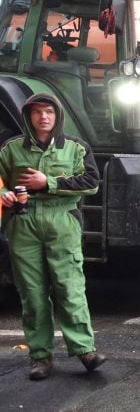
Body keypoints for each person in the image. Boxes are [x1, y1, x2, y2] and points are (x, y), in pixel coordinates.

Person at [0, 92, 105, 380]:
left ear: (57, 116)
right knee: (32, 293)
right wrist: (4, 195)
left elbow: (91, 182)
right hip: (24, 223)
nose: (43, 117)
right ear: (28, 116)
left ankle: (85, 350)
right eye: (37, 112)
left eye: (48, 112)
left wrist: (49, 182)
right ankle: (40, 357)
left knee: (69, 287)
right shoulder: (10, 149)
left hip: (62, 220)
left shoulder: (76, 148)